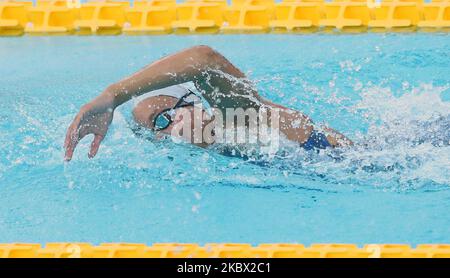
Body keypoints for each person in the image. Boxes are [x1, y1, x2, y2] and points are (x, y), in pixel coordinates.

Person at [64, 45, 353, 161]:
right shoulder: (224, 147)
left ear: (193, 103)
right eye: (155, 131)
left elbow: (204, 59)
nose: (166, 131)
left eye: (162, 117)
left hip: (369, 162)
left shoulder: (240, 118)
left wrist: (113, 96)